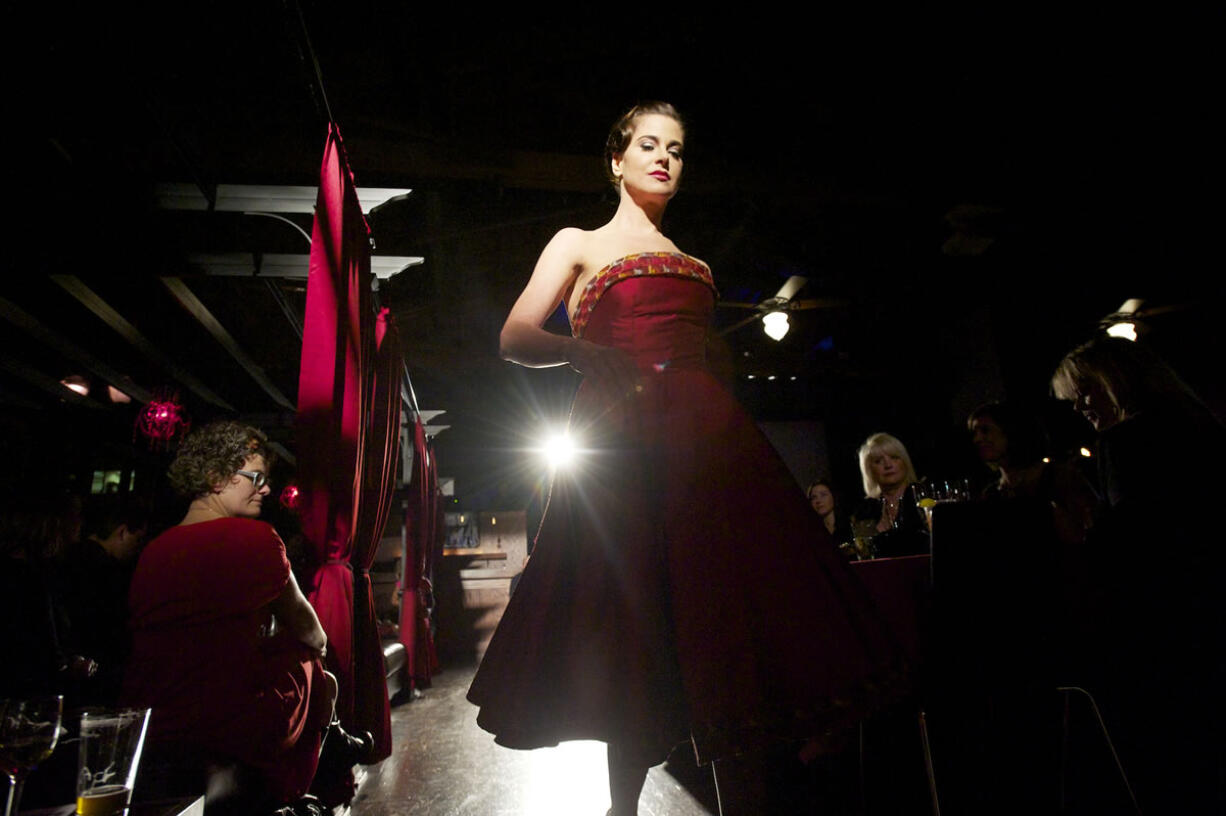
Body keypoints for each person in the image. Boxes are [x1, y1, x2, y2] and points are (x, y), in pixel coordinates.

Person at [466, 102, 904, 815]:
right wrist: (579, 351)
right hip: (622, 443)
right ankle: (622, 808)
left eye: (676, 148)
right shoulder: (578, 242)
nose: (664, 157)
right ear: (616, 159)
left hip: (707, 440)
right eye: (648, 144)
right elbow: (515, 335)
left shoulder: (697, 266)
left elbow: (715, 365)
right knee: (631, 613)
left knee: (722, 612)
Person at [121, 421, 366, 814]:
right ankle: (318, 769)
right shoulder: (256, 539)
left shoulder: (152, 551)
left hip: (156, 717)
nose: (266, 489)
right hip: (230, 721)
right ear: (217, 478)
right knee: (310, 658)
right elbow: (314, 633)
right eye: (256, 478)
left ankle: (330, 751)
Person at [1051, 336, 1224, 813]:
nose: (1081, 406)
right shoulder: (1200, 426)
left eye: (1086, 391)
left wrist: (1071, 530)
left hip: (1164, 620)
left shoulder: (1125, 441)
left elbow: (1131, 539)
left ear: (1119, 379)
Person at [966, 402, 1095, 546]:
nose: (977, 439)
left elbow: (1083, 531)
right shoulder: (991, 493)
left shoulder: (1059, 476)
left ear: (1010, 431)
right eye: (974, 433)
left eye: (985, 430)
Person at [849, 432, 927, 557]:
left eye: (894, 458)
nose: (888, 465)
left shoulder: (923, 498)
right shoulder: (865, 510)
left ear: (905, 462)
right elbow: (864, 554)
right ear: (869, 470)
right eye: (878, 461)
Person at [806, 479, 852, 550]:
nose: (818, 501)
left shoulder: (849, 526)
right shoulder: (811, 533)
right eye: (814, 497)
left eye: (823, 495)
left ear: (833, 497)